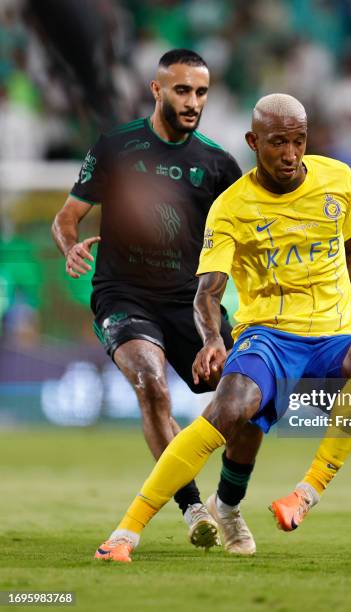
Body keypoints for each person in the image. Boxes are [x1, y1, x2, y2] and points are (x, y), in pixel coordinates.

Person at [93, 92, 351, 562]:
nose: (290, 155)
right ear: (252, 141)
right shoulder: (231, 208)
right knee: (231, 410)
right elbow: (207, 291)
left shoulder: (337, 179)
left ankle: (306, 493)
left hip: (333, 335)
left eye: (299, 142)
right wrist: (213, 338)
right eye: (278, 142)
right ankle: (128, 532)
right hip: (269, 335)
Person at [52, 49, 262, 553]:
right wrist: (71, 246)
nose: (193, 102)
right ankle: (192, 507)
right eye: (182, 90)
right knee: (150, 384)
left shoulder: (217, 164)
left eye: (201, 92)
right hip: (123, 295)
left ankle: (227, 505)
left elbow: (249, 239)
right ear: (157, 89)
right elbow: (67, 216)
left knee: (250, 401)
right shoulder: (116, 147)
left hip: (191, 303)